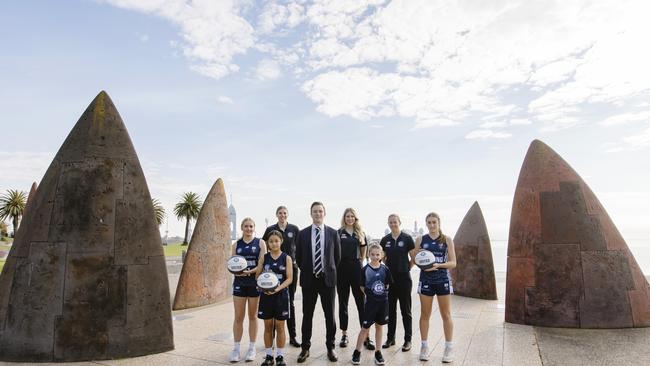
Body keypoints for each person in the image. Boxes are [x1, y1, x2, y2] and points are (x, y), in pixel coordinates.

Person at [294, 201, 341, 363]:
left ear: (324, 213)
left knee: (330, 316)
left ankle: (331, 347)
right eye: (315, 211)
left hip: (327, 281)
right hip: (309, 280)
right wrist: (309, 269)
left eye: (320, 211)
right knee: (307, 315)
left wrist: (327, 270)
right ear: (311, 214)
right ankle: (305, 348)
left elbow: (337, 258)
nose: (318, 214)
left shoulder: (333, 233)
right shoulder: (303, 233)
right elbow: (298, 257)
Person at [413, 212, 456, 363]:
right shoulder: (420, 239)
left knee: (446, 315)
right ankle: (424, 346)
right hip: (426, 279)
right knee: (425, 314)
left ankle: (448, 347)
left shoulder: (447, 239)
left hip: (442, 279)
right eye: (429, 222)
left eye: (434, 222)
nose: (431, 225)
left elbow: (453, 263)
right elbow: (415, 259)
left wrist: (439, 265)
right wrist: (423, 265)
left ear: (439, 223)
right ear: (426, 224)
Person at [262, 206, 301, 348]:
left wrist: (298, 262)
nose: (282, 215)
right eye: (280, 213)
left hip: (290, 269)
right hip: (272, 271)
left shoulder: (294, 229)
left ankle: (293, 337)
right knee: (272, 301)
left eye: (285, 213)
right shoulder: (270, 229)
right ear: (276, 215)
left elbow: (300, 247)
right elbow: (264, 247)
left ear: (287, 215)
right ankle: (271, 338)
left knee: (289, 302)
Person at [253, 230, 293, 366]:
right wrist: (263, 284)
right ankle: (269, 356)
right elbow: (257, 276)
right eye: (271, 241)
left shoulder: (286, 258)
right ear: (268, 243)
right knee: (268, 326)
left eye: (276, 240)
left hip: (281, 296)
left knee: (281, 326)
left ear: (281, 241)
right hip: (266, 296)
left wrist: (277, 288)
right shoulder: (264, 257)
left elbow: (289, 279)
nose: (274, 243)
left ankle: (280, 356)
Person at [230, 218, 267, 363]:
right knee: (238, 317)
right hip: (239, 283)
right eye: (246, 226)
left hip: (254, 283)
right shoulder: (236, 245)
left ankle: (252, 348)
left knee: (253, 316)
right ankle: (236, 348)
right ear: (241, 228)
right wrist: (237, 272)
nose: (248, 229)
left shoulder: (260, 243)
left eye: (251, 226)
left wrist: (250, 272)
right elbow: (232, 264)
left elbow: (262, 263)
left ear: (254, 228)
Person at [351, 244, 392, 365]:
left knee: (379, 327)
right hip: (370, 304)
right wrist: (372, 295)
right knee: (365, 328)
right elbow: (362, 286)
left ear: (382, 255)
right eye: (372, 254)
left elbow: (387, 284)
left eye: (377, 254)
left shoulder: (385, 269)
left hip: (382, 304)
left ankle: (378, 352)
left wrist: (381, 295)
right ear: (369, 254)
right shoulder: (365, 270)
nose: (375, 257)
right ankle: (357, 351)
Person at [380, 214, 416, 352]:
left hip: (404, 280)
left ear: (399, 222)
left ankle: (408, 340)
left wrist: (406, 268)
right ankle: (391, 338)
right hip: (390, 280)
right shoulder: (385, 240)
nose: (393, 224)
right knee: (391, 310)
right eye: (390, 222)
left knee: (405, 310)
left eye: (395, 222)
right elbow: (382, 257)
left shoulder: (407, 239)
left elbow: (413, 258)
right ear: (388, 224)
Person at [336, 208, 371, 349]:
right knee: (343, 303)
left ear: (355, 218)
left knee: (361, 303)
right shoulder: (339, 233)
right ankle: (344, 334)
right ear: (344, 218)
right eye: (347, 216)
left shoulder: (360, 233)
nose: (350, 218)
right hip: (342, 269)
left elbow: (363, 249)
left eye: (352, 216)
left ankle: (366, 336)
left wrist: (360, 262)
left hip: (356, 268)